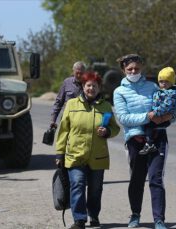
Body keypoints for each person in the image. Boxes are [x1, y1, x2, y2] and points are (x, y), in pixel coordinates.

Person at [113, 54, 172, 229]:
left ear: (142, 68)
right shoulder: (119, 92)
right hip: (135, 141)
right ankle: (135, 215)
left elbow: (168, 110)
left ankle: (159, 219)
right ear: (123, 70)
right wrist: (148, 117)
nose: (133, 71)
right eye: (129, 69)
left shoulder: (153, 87)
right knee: (137, 180)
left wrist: (168, 118)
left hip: (157, 138)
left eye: (136, 69)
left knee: (156, 178)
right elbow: (123, 118)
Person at [55, 71, 120, 229]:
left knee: (95, 189)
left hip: (97, 156)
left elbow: (115, 128)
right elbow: (63, 130)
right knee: (77, 184)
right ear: (83, 87)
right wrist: (60, 153)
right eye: (88, 85)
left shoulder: (105, 106)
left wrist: (108, 132)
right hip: (75, 154)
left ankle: (94, 215)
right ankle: (79, 219)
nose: (91, 88)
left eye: (94, 86)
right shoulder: (71, 104)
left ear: (99, 88)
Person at [139, 67, 176, 155]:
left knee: (148, 125)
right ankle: (150, 142)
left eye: (166, 81)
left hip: (164, 118)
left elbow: (165, 106)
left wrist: (155, 112)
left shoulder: (171, 94)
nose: (163, 84)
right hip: (159, 116)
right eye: (161, 81)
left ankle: (149, 144)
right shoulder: (161, 91)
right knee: (149, 126)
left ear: (172, 82)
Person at [50, 61, 86, 128]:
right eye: (77, 73)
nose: (78, 75)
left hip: (83, 121)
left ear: (85, 73)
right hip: (67, 120)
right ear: (73, 71)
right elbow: (58, 102)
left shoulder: (88, 85)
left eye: (81, 73)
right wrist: (53, 120)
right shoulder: (67, 82)